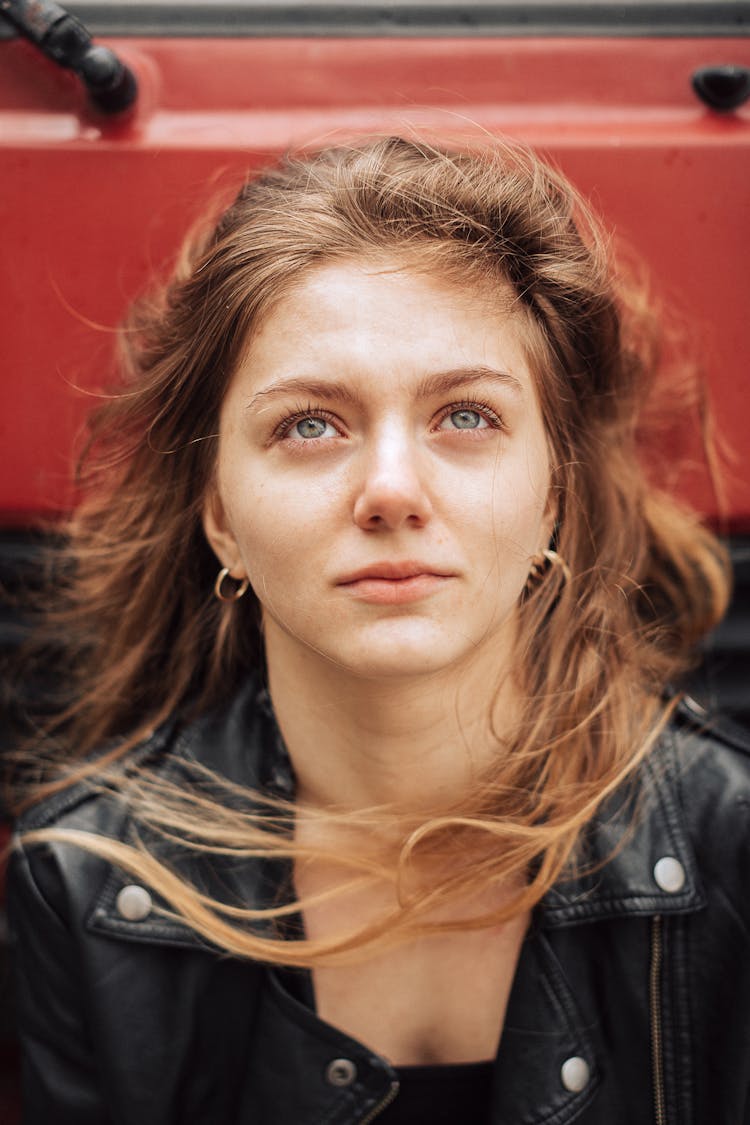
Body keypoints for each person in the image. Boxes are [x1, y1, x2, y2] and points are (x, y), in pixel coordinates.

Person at [6, 136, 749, 1125]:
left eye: (467, 416)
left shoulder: (733, 847)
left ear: (552, 498)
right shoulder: (86, 884)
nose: (392, 491)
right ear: (220, 514)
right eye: (310, 425)